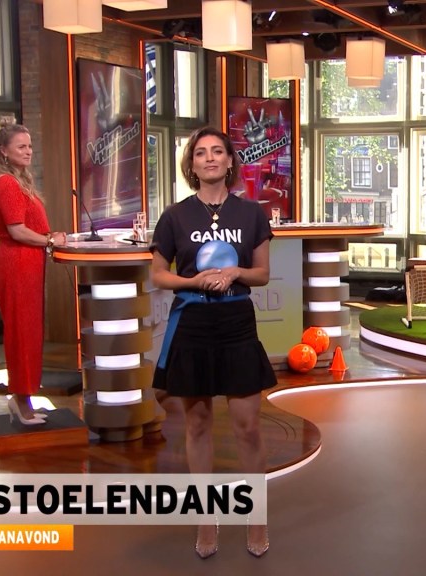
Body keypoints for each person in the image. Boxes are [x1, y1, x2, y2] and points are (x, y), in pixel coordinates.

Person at [150, 126, 276, 559]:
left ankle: (256, 519)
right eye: (200, 152)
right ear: (192, 164)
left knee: (248, 426)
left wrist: (236, 273)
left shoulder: (251, 214)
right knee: (198, 424)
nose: (209, 158)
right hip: (193, 324)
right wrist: (194, 280)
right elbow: (158, 275)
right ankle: (207, 520)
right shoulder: (175, 216)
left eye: (217, 151)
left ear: (228, 161)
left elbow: (262, 274)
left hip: (236, 323)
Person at [0, 118, 67, 424]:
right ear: (3, 151)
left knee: (30, 333)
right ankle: (21, 402)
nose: (29, 151)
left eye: (30, 146)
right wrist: (50, 240)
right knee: (22, 334)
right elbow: (17, 230)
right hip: (15, 264)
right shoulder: (6, 183)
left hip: (27, 264)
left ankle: (25, 399)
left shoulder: (18, 181)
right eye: (21, 146)